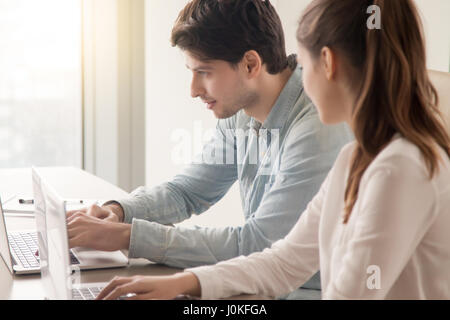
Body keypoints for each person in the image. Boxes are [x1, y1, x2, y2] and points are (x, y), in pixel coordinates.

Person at [95, 0, 450, 300]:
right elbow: (285, 259)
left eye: (305, 65)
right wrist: (186, 285)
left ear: (328, 64)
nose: (298, 76)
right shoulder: (355, 159)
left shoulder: (399, 168)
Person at [67, 0, 352, 299]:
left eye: (204, 72)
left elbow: (257, 245)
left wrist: (130, 237)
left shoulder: (317, 130)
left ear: (251, 64)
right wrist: (118, 212)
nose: (193, 89)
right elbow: (188, 191)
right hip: (259, 288)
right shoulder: (243, 114)